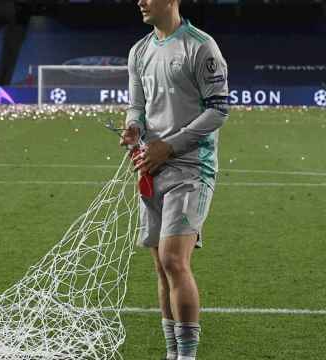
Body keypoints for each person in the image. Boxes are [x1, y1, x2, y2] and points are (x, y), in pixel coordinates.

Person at [120, 0, 229, 359]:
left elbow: (219, 109)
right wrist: (134, 128)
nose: (140, 1)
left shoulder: (201, 47)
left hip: (192, 167)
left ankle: (186, 355)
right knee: (160, 266)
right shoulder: (139, 50)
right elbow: (137, 105)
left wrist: (171, 145)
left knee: (173, 259)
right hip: (152, 165)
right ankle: (173, 352)